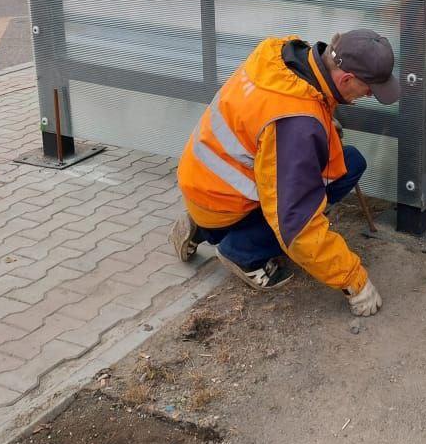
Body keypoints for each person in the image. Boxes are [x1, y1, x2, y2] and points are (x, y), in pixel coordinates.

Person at [169, 29, 399, 317]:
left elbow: (274, 120)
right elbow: (297, 224)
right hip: (222, 200)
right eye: (369, 89)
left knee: (348, 162)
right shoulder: (296, 124)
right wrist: (353, 278)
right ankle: (241, 252)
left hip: (205, 181)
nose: (368, 95)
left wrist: (323, 123)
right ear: (346, 79)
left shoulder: (281, 53)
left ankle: (203, 224)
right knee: (298, 216)